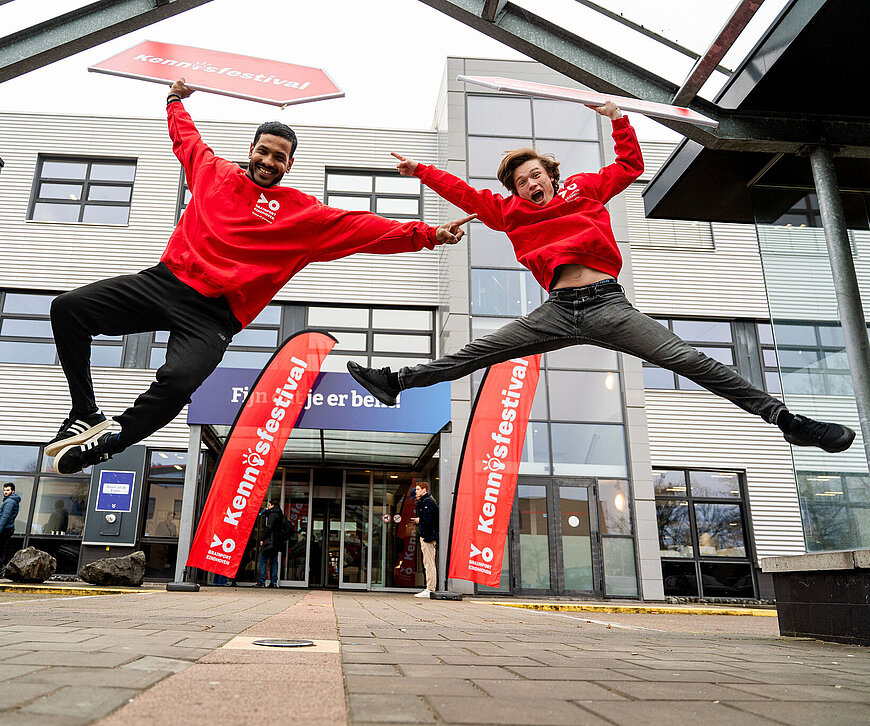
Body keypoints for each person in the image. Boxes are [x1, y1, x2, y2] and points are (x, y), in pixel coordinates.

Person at [347, 101, 855, 455]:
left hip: (608, 306)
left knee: (690, 360)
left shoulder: (584, 190)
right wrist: (421, 171)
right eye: (521, 181)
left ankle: (787, 421)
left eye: (536, 175)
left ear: (549, 173)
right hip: (556, 310)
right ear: (515, 189)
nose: (531, 184)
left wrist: (618, 119)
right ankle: (397, 382)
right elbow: (465, 194)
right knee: (474, 354)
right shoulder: (508, 212)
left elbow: (630, 165)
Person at [46, 78, 475, 475]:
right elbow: (186, 138)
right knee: (68, 309)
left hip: (215, 315)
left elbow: (364, 228)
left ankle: (116, 438)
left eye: (279, 157)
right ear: (251, 149)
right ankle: (84, 411)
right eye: (263, 151)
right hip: (167, 281)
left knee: (179, 380)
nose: (269, 161)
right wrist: (174, 100)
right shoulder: (213, 172)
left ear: (290, 164)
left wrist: (429, 234)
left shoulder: (303, 214)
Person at [410, 481, 439, 597]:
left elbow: (428, 520)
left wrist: (419, 521)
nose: (416, 491)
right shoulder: (427, 502)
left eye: (418, 489)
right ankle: (430, 587)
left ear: (424, 490)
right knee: (428, 562)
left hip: (428, 537)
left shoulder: (427, 502)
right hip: (428, 536)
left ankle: (430, 588)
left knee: (429, 563)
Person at [257, 499, 283, 588]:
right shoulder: (280, 514)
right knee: (274, 561)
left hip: (269, 541)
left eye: (269, 505)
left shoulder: (273, 515)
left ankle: (262, 581)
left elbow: (269, 527)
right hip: (276, 541)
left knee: (263, 560)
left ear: (272, 505)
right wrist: (266, 511)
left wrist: (262, 538)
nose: (268, 506)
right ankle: (273, 582)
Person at [0, 482, 20, 572]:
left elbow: (5, 517)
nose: (5, 492)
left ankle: (1, 569)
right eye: (4, 490)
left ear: (12, 491)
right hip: (8, 528)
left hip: (5, 529)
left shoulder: (9, 502)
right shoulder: (11, 500)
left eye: (8, 490)